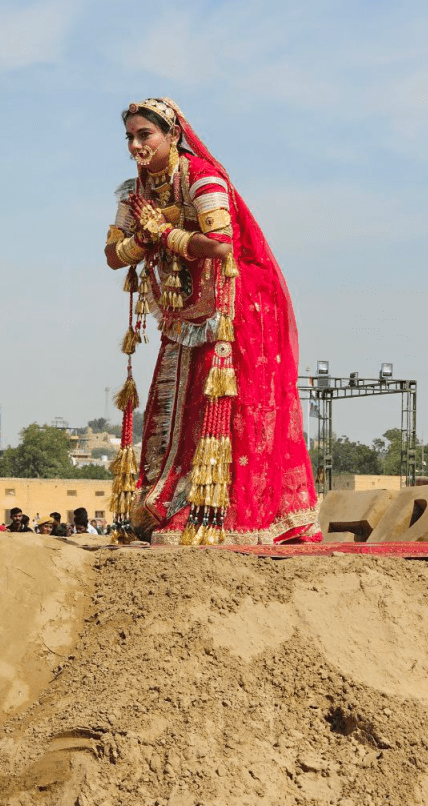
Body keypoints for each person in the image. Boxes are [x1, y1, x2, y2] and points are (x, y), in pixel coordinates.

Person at [105, 97, 321, 547]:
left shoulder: (202, 178)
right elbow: (113, 255)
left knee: (229, 405)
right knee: (176, 403)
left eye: (145, 134)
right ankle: (168, 502)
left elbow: (222, 245)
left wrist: (163, 234)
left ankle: (227, 514)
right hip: (182, 309)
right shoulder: (136, 192)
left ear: (174, 135)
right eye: (130, 136)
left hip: (237, 304)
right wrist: (144, 240)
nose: (135, 145)